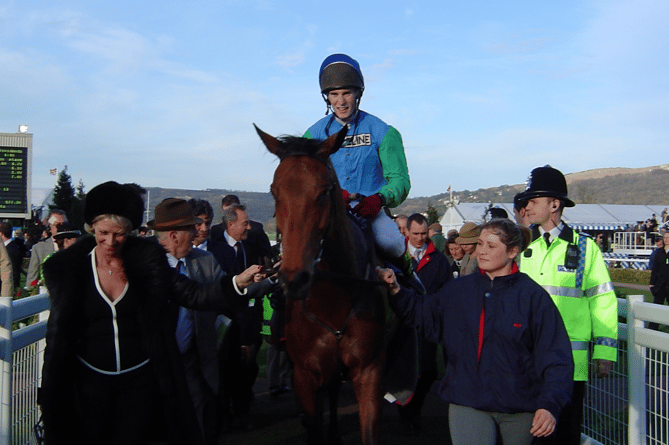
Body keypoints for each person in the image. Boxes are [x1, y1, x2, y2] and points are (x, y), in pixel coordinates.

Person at [39, 181, 263, 445]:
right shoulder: (70, 269)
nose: (110, 242)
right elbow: (57, 335)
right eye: (103, 233)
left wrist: (237, 283)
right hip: (90, 383)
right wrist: (51, 391)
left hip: (140, 381)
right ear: (91, 228)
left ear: (131, 231)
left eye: (119, 234)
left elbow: (194, 294)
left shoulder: (145, 262)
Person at [376, 218, 574, 445]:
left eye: (491, 246)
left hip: (522, 408)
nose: (481, 252)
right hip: (467, 401)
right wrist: (395, 289)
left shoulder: (533, 298)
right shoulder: (459, 291)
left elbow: (556, 357)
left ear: (512, 251)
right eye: (480, 244)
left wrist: (550, 405)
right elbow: (423, 313)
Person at [516, 165, 618, 445]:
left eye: (533, 201)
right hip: (526, 361)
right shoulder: (522, 247)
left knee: (565, 435)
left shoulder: (586, 248)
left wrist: (606, 350)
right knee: (528, 435)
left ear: (554, 204)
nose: (527, 207)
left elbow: (603, 299)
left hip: (571, 365)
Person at [304, 53, 416, 285]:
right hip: (331, 210)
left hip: (369, 210)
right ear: (327, 97)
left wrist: (379, 199)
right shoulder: (312, 136)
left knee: (392, 243)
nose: (341, 101)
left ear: (358, 93)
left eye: (347, 93)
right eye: (334, 94)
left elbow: (400, 180)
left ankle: (410, 279)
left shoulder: (384, 132)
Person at [151, 198, 227, 445]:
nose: (198, 232)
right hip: (152, 366)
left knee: (195, 423)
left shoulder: (205, 261)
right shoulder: (141, 265)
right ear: (173, 235)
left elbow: (226, 292)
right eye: (191, 228)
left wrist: (261, 281)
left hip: (191, 361)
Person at [399, 213, 452, 434]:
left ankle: (414, 409)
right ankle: (406, 413)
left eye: (423, 233)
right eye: (415, 234)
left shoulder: (438, 259)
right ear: (406, 232)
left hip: (428, 323)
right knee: (403, 372)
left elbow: (447, 290)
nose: (420, 238)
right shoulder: (395, 256)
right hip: (401, 325)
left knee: (429, 372)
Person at [210, 194, 273, 266]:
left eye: (232, 211)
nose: (249, 227)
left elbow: (267, 255)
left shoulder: (254, 232)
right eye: (227, 212)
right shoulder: (216, 233)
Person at [26, 209, 66, 289]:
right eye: (57, 225)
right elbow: (32, 278)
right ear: (49, 228)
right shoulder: (38, 248)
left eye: (64, 225)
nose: (62, 228)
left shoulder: (74, 245)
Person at [649, 231, 669, 331]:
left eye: (668, 237)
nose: (666, 239)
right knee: (656, 307)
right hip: (660, 284)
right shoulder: (659, 252)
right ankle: (652, 330)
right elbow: (655, 269)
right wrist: (651, 283)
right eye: (665, 237)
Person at [1, 222, 27, 292]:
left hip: (9, 286)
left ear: (1, 233)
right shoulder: (12, 247)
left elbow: (12, 270)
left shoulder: (10, 250)